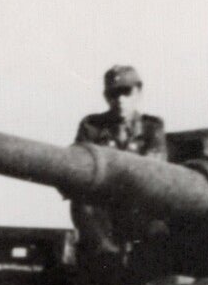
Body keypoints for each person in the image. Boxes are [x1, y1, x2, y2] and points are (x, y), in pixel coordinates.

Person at [71, 65, 167, 261]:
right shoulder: (91, 127)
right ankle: (106, 258)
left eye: (126, 92)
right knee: (82, 204)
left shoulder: (152, 128)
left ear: (138, 92)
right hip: (104, 209)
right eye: (114, 94)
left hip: (140, 206)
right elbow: (76, 166)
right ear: (107, 97)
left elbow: (153, 169)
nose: (120, 100)